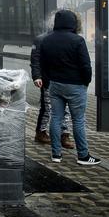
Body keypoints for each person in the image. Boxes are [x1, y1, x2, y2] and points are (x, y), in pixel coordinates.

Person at [40, 9, 99, 165]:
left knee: (56, 118)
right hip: (75, 85)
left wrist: (48, 82)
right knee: (78, 120)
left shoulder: (47, 40)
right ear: (73, 22)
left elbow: (43, 65)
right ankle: (83, 156)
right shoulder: (77, 41)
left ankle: (56, 154)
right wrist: (86, 82)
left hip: (55, 85)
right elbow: (86, 65)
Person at [31, 13, 74, 150]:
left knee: (66, 108)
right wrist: (37, 76)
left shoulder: (70, 38)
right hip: (48, 79)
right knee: (48, 107)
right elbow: (35, 60)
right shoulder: (41, 39)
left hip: (65, 79)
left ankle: (65, 134)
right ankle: (41, 131)